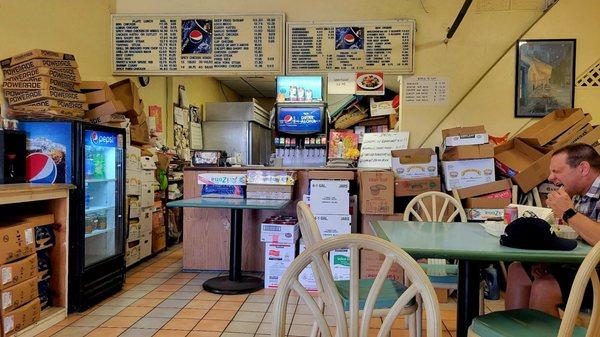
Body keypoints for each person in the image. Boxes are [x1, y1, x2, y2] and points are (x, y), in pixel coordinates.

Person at [505, 143, 600, 316]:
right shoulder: (580, 194)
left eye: (557, 171)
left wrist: (568, 212)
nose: (550, 178)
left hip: (596, 274)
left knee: (544, 286)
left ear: (583, 168)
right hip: (582, 266)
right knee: (518, 270)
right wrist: (550, 260)